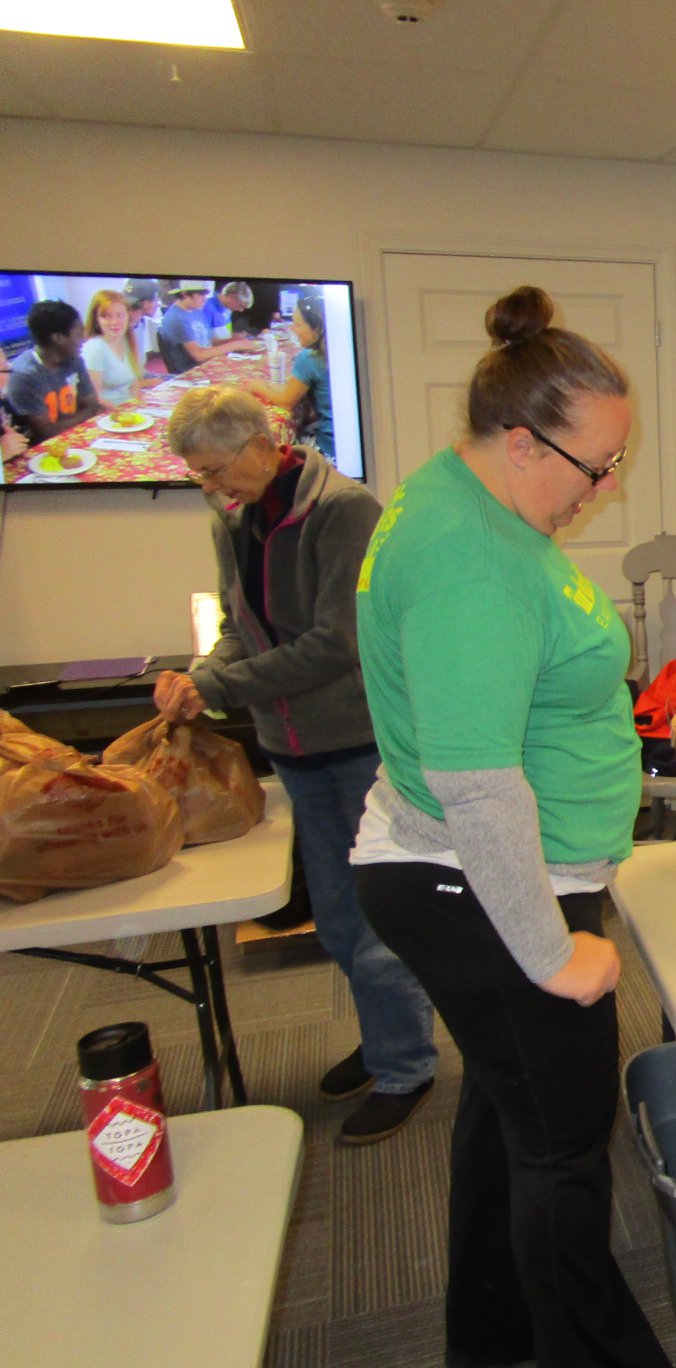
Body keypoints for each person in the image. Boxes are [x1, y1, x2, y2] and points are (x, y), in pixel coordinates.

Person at [350, 285, 668, 1368]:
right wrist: (552, 953)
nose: (608, 487)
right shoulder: (472, 563)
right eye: (597, 466)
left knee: (509, 1112)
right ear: (524, 441)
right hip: (477, 878)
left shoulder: (467, 497)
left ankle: (491, 1340)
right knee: (564, 1145)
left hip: (478, 866)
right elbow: (477, 784)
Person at [153, 386, 438, 1143]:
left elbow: (336, 643)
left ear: (262, 443)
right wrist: (198, 676)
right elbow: (238, 627)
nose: (209, 487)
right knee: (338, 921)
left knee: (377, 922)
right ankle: (385, 1040)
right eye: (198, 475)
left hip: (358, 745)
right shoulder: (234, 518)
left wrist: (220, 687)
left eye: (216, 469)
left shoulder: (344, 511)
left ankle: (407, 1066)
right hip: (293, 748)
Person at [244, 293, 335, 459]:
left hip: (331, 447)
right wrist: (270, 386)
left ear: (317, 329)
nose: (292, 328)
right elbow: (293, 389)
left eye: (298, 324)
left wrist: (258, 386)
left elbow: (286, 401)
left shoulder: (310, 357)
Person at [5, 300, 101, 443]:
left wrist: (86, 413)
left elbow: (92, 405)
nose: (84, 338)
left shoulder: (74, 360)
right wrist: (86, 414)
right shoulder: (24, 375)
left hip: (78, 437)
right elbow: (46, 432)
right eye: (79, 333)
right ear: (58, 338)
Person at [158, 280, 256, 374]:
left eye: (204, 295)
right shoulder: (177, 319)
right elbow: (199, 355)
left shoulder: (196, 310)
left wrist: (233, 340)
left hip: (209, 363)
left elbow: (208, 341)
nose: (204, 299)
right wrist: (235, 345)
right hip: (192, 371)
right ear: (185, 295)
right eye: (200, 295)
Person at [81, 289, 144, 409]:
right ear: (96, 319)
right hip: (107, 413)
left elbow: (134, 384)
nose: (114, 322)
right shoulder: (94, 348)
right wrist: (123, 412)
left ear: (128, 316)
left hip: (128, 408)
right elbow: (95, 399)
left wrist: (138, 407)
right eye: (107, 317)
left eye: (120, 316)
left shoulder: (127, 341)